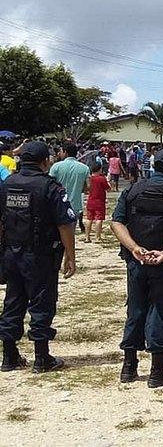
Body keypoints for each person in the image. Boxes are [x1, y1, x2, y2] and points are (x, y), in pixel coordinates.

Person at [110, 148, 163, 388]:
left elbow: (116, 222)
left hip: (136, 262)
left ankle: (129, 367)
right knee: (160, 310)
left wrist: (134, 248)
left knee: (135, 309)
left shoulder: (133, 189)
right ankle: (158, 371)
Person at [0, 141, 77, 373]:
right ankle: (42, 357)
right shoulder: (50, 187)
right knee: (42, 302)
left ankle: (9, 355)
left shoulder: (7, 184)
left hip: (11, 253)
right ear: (45, 161)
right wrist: (70, 257)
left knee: (13, 300)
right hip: (40, 255)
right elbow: (65, 224)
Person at [49, 142, 90, 233]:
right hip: (74, 205)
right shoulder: (84, 168)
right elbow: (88, 187)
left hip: (57, 204)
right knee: (71, 233)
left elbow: (49, 184)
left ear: (65, 152)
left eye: (61, 151)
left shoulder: (56, 167)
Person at [84, 162, 112, 243]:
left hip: (90, 201)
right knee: (99, 219)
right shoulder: (101, 178)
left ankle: (87, 237)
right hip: (99, 202)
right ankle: (97, 237)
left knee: (89, 219)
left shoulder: (89, 178)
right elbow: (108, 188)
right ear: (100, 169)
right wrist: (108, 180)